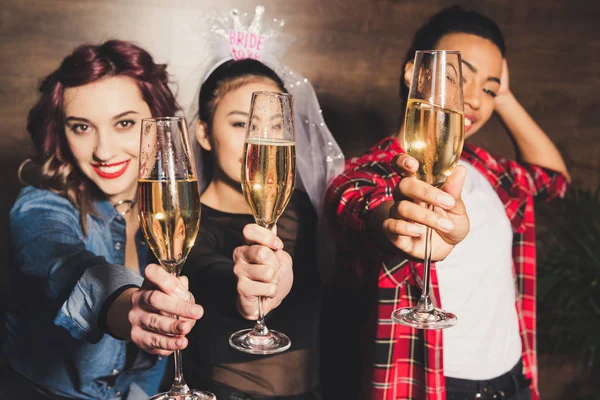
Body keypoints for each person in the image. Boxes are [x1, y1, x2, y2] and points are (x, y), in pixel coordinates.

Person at [324, 5, 570, 400]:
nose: (472, 99)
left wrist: (503, 97)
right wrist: (397, 225)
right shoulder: (363, 174)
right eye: (459, 78)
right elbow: (358, 212)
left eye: (488, 88)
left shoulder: (488, 170)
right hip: (431, 386)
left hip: (514, 384)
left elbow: (555, 181)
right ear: (413, 73)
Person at [0, 40, 200, 400]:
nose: (103, 151)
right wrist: (126, 305)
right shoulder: (39, 207)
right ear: (60, 131)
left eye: (124, 123)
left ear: (158, 123)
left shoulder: (171, 206)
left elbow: (214, 265)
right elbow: (62, 266)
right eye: (81, 127)